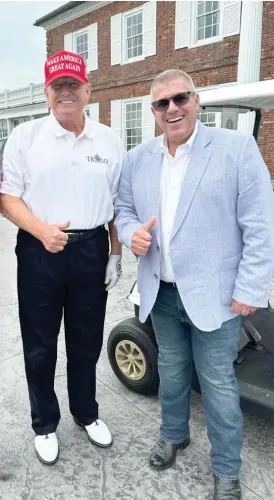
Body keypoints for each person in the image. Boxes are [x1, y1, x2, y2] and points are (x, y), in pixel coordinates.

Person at [114, 69, 274, 499]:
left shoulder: (236, 149)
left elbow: (260, 226)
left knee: (218, 382)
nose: (172, 109)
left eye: (180, 98)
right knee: (170, 367)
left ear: (196, 100)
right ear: (152, 111)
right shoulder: (138, 159)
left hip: (217, 296)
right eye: (162, 103)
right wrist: (132, 234)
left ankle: (226, 470)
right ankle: (173, 434)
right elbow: (124, 210)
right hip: (162, 292)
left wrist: (250, 288)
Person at [0, 50, 124, 465]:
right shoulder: (26, 137)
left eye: (73, 84)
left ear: (88, 90)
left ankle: (86, 413)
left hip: (91, 250)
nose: (66, 92)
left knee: (86, 341)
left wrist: (116, 254)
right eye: (58, 86)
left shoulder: (109, 139)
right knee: (40, 344)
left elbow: (118, 203)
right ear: (48, 94)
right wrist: (41, 231)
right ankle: (45, 423)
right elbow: (7, 197)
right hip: (40, 251)